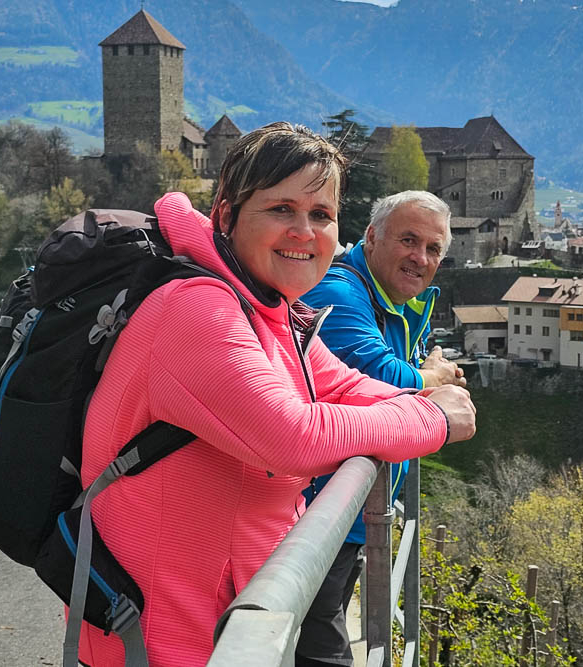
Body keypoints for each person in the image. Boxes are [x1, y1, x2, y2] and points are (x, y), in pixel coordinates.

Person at [76, 123, 477, 667]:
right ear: (226, 216)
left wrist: (417, 402)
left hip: (230, 626)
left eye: (320, 215)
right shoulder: (197, 310)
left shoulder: (270, 310)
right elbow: (292, 436)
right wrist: (434, 420)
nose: (304, 232)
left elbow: (342, 385)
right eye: (280, 209)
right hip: (160, 642)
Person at [296, 190, 463, 667]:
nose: (420, 257)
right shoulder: (339, 292)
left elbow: (398, 365)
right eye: (408, 240)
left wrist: (425, 369)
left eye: (433, 249)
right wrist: (437, 379)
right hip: (312, 513)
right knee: (320, 648)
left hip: (344, 515)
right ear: (371, 236)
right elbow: (383, 378)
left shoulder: (383, 295)